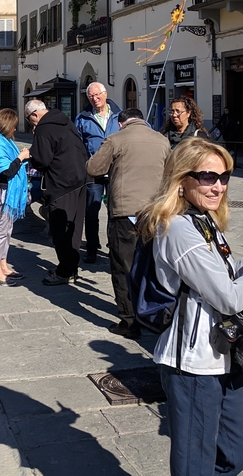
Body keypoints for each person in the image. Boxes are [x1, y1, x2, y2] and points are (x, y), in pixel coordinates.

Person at [137, 138, 243, 476]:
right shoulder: (178, 229)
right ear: (181, 180)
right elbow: (228, 297)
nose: (219, 186)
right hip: (193, 363)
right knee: (194, 464)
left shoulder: (202, 219)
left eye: (224, 177)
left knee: (241, 450)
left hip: (221, 356)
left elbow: (225, 275)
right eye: (208, 177)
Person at [85, 108, 170, 338]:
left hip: (125, 211)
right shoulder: (162, 141)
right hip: (155, 212)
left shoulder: (115, 139)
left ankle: (129, 321)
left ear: (121, 123)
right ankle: (153, 314)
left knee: (123, 266)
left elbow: (93, 168)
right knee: (152, 267)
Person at [25, 99, 89, 286]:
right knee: (75, 229)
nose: (31, 124)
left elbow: (42, 160)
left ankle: (63, 272)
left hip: (61, 184)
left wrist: (31, 154)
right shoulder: (66, 121)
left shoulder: (44, 129)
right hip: (80, 179)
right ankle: (71, 268)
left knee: (59, 230)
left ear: (35, 114)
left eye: (30, 120)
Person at [74, 82, 122, 263]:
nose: (95, 99)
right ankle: (92, 248)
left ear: (105, 93)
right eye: (91, 96)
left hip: (116, 171)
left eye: (97, 95)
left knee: (115, 211)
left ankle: (113, 247)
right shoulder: (82, 118)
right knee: (91, 211)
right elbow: (78, 146)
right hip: (93, 172)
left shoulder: (119, 115)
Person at [0, 109, 29, 285]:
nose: (15, 130)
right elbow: (6, 171)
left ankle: (3, 264)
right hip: (1, 192)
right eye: (14, 126)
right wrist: (20, 157)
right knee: (0, 232)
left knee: (7, 230)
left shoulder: (3, 140)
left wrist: (21, 157)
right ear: (6, 126)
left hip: (8, 191)